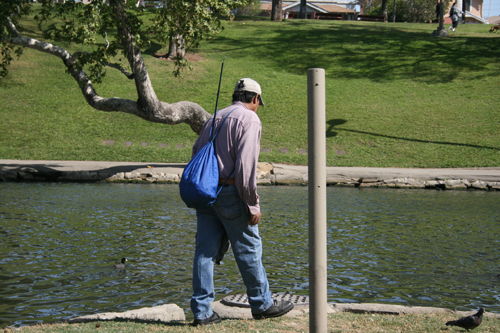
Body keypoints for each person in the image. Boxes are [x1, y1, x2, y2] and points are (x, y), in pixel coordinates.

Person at [190, 78, 294, 326]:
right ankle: (262, 304)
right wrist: (253, 205)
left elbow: (196, 151)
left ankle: (202, 312)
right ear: (255, 98)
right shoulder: (250, 119)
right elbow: (246, 167)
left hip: (205, 194)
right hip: (231, 194)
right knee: (249, 249)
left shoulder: (214, 117)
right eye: (259, 102)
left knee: (204, 253)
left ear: (236, 95)